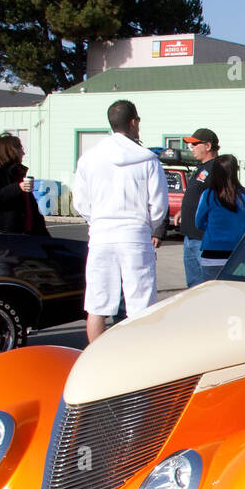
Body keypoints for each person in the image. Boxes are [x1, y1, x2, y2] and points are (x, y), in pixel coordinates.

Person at [72, 99, 167, 343]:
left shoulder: (89, 158)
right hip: (134, 235)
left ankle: (96, 358)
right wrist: (146, 226)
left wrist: (98, 220)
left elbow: (81, 203)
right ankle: (136, 359)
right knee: (140, 304)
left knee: (97, 303)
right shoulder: (147, 159)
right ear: (133, 122)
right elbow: (158, 206)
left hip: (101, 234)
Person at [0, 133, 49, 236]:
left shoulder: (17, 173)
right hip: (3, 237)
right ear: (11, 151)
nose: (23, 153)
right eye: (20, 149)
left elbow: (31, 209)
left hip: (24, 234)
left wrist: (45, 237)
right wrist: (17, 188)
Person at [193, 155, 245, 280]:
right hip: (238, 252)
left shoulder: (209, 195)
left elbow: (199, 223)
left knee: (213, 294)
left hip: (212, 252)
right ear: (236, 171)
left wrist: (212, 227)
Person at [177, 128, 219, 287]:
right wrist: (184, 210)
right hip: (190, 236)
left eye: (195, 144)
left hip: (203, 238)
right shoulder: (201, 168)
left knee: (207, 286)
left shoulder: (217, 169)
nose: (191, 148)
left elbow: (220, 200)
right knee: (193, 286)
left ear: (208, 146)